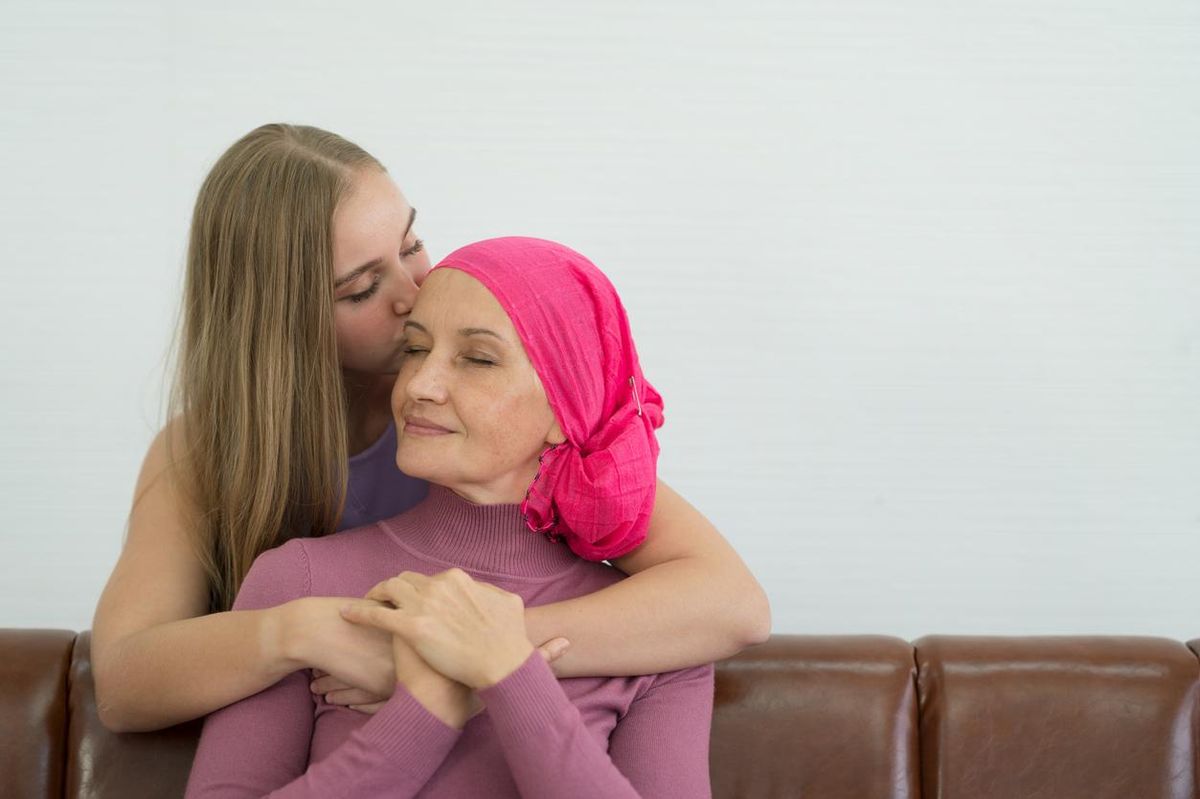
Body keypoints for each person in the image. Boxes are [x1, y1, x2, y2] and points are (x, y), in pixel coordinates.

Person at [92, 124, 769, 733]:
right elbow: (121, 682)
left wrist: (469, 651)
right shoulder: (199, 452)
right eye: (361, 288)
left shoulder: (488, 424)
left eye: (411, 243)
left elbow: (730, 601)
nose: (417, 291)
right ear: (280, 324)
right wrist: (296, 630)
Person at [186, 237, 715, 797]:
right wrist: (427, 709)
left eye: (478, 359)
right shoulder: (298, 579)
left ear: (568, 409)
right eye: (415, 350)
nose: (419, 386)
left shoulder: (662, 637)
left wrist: (509, 675)